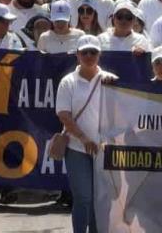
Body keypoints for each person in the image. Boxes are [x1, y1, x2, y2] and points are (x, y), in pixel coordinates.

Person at [56, 35, 116, 232]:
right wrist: (84, 139)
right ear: (77, 55)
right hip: (76, 148)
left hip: (103, 150)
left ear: (100, 54)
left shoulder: (110, 80)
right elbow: (64, 115)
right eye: (85, 52)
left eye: (93, 52)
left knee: (100, 199)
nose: (89, 56)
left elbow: (122, 111)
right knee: (83, 197)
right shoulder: (68, 82)